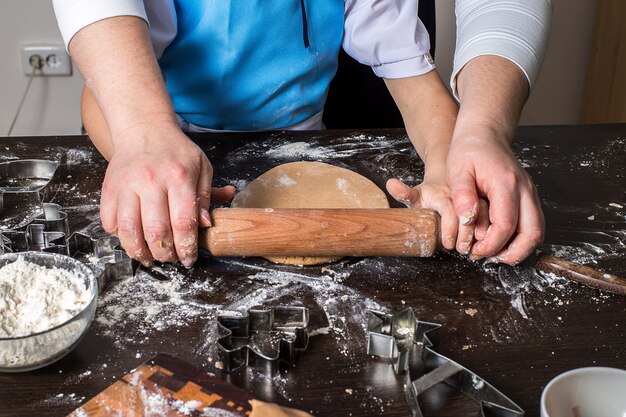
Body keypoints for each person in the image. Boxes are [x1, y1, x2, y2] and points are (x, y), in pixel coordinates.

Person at [52, 0, 551, 268]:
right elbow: (101, 94)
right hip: (161, 138)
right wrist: (143, 139)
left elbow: (419, 88)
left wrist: (449, 169)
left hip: (302, 136)